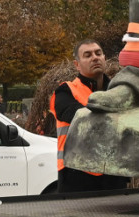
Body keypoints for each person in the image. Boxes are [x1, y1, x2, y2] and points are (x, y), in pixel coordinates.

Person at [49, 40, 129, 192]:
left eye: (98, 53)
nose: (95, 57)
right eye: (88, 55)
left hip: (114, 173)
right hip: (76, 176)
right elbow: (79, 117)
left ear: (104, 58)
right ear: (77, 65)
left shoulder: (119, 91)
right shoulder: (66, 91)